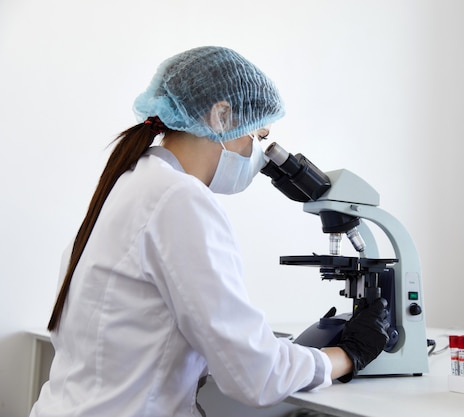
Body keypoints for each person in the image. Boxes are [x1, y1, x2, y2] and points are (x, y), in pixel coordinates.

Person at [30, 46, 389, 417]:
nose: (258, 152)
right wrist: (348, 354)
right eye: (257, 134)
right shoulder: (179, 199)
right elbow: (257, 376)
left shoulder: (131, 182)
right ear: (221, 115)